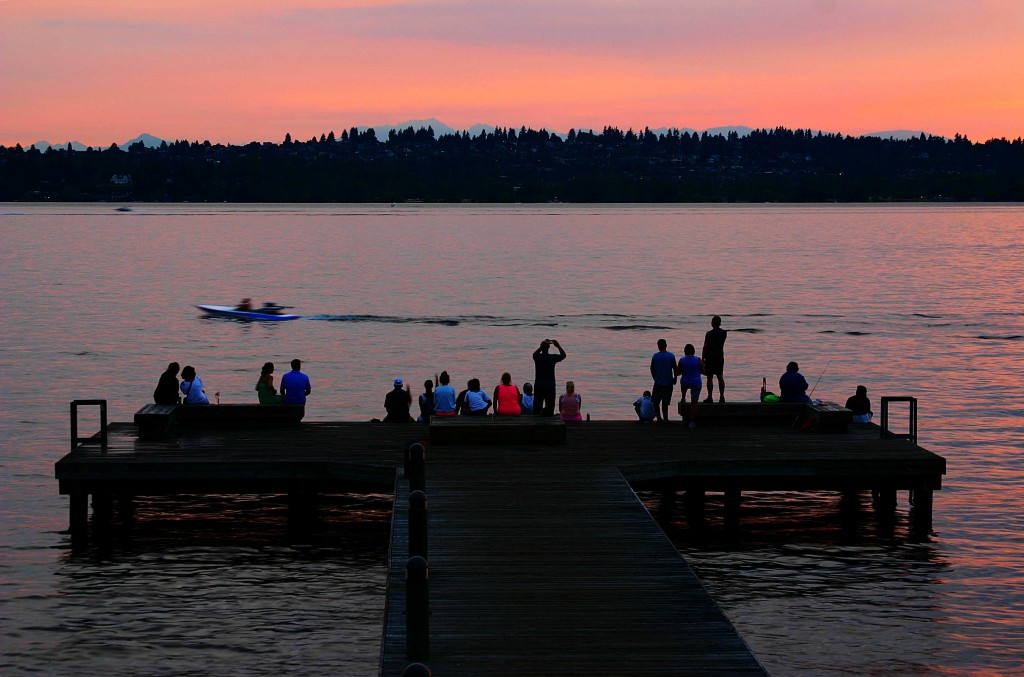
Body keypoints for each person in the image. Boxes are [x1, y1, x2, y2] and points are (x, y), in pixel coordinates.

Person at [532, 339, 566, 416]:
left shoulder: (537, 357)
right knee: (550, 406)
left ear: (541, 348)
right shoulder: (552, 358)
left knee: (537, 407)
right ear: (548, 348)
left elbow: (535, 353)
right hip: (550, 385)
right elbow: (563, 355)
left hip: (539, 385)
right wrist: (558, 346)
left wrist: (542, 346)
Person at [676, 343, 704, 428]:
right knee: (694, 403)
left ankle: (683, 397)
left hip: (685, 381)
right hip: (696, 382)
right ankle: (692, 422)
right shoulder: (698, 359)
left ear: (685, 351)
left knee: (683, 384)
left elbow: (678, 373)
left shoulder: (682, 360)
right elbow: (703, 371)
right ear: (693, 351)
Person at [650, 339, 677, 422]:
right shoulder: (671, 356)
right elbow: (675, 368)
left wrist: (655, 378)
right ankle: (666, 418)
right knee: (665, 402)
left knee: (656, 402)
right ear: (666, 345)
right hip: (668, 382)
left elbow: (652, 368)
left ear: (658, 346)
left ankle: (659, 418)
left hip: (658, 382)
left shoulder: (655, 356)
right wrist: (675, 378)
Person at [702, 315, 728, 403]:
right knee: (720, 377)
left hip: (710, 357)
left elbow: (705, 347)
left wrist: (702, 358)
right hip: (719, 357)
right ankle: (722, 396)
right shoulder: (724, 333)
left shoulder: (709, 334)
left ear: (713, 323)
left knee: (709, 378)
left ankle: (710, 397)